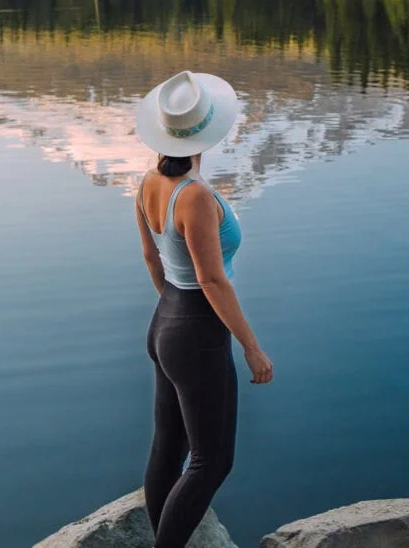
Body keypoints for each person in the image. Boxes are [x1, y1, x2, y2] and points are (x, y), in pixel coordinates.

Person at [134, 70, 273, 548]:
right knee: (211, 461)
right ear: (207, 132)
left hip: (166, 320)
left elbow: (153, 258)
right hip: (195, 330)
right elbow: (212, 280)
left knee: (168, 447)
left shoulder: (149, 183)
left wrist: (171, 317)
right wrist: (251, 349)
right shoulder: (193, 195)